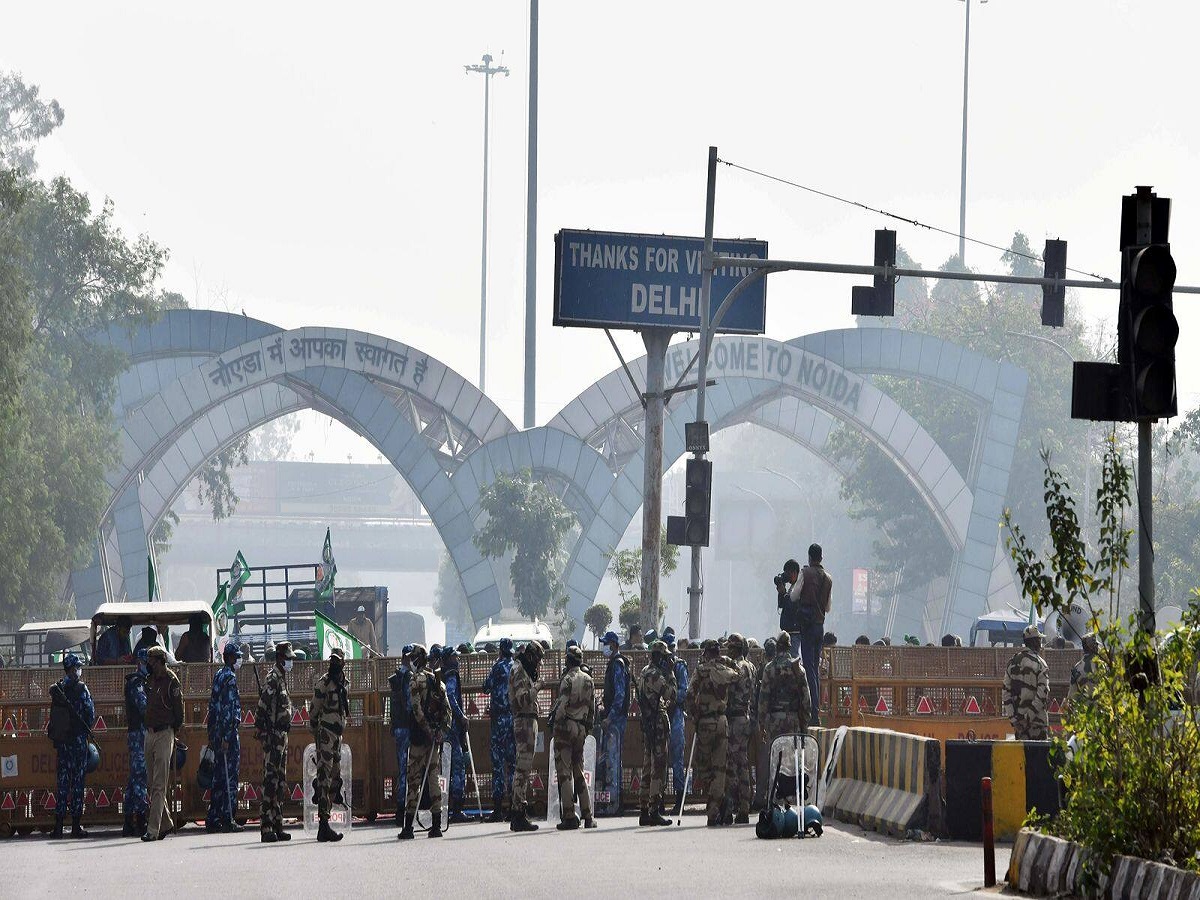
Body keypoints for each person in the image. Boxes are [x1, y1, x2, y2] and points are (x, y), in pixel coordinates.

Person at [400, 644, 452, 840]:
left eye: (413, 657)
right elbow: (448, 713)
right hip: (433, 741)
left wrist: (428, 731)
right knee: (433, 780)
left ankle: (408, 828)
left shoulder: (416, 681)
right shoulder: (438, 681)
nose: (411, 661)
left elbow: (416, 710)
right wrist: (440, 733)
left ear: (418, 658)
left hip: (419, 739)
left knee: (413, 782)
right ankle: (436, 826)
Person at [778, 545, 832, 724]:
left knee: (808, 669)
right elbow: (828, 607)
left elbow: (793, 597)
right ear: (821, 558)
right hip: (820, 626)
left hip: (807, 627)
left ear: (809, 557)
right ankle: (815, 711)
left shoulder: (805, 573)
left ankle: (812, 714)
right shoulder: (828, 579)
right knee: (815, 669)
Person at [689, 638, 740, 826]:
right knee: (719, 768)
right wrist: (726, 661)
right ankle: (720, 805)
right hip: (722, 721)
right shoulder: (726, 670)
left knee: (704, 766)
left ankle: (713, 809)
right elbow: (739, 674)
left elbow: (689, 695)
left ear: (706, 653)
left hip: (705, 723)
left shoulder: (701, 671)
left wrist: (695, 716)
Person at [550, 645, 598, 830]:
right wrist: (587, 729)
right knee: (579, 771)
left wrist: (556, 726)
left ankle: (569, 815)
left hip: (566, 727)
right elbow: (592, 709)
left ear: (568, 660)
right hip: (581, 728)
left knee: (564, 772)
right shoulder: (588, 680)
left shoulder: (567, 680)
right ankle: (588, 816)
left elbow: (561, 707)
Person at [48, 652, 95, 839]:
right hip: (77, 742)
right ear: (73, 669)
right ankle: (75, 826)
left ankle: (58, 827)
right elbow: (90, 715)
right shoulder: (81, 688)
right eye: (78, 667)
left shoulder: (58, 689)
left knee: (62, 784)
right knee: (77, 784)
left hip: (62, 742)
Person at [254, 640, 295, 843]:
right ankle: (266, 826)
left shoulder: (282, 678)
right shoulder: (273, 678)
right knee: (270, 782)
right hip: (273, 736)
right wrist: (263, 730)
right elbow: (262, 706)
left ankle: (278, 824)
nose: (290, 662)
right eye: (288, 659)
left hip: (282, 736)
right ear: (280, 658)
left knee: (280, 782)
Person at [142, 645, 183, 841]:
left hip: (165, 733)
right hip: (149, 733)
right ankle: (166, 823)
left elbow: (179, 713)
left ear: (160, 661)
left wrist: (172, 733)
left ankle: (153, 830)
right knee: (151, 784)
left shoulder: (171, 681)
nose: (149, 665)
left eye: (151, 662)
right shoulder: (149, 680)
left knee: (159, 784)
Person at [310, 647, 349, 842]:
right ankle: (323, 825)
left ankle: (326, 810)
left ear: (343, 663)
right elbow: (313, 712)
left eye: (337, 661)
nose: (334, 664)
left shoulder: (344, 683)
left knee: (335, 779)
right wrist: (319, 733)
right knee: (324, 778)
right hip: (325, 734)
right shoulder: (324, 683)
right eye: (332, 660)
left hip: (338, 737)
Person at [636, 640, 676, 827]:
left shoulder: (644, 671)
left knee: (646, 766)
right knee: (657, 767)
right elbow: (671, 694)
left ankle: (644, 809)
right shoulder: (656, 675)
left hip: (647, 722)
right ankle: (653, 809)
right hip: (657, 723)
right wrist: (671, 673)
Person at [508, 640, 544, 832]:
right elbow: (522, 699)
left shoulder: (522, 669)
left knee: (524, 768)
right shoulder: (520, 670)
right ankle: (517, 814)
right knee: (522, 769)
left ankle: (519, 811)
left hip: (527, 721)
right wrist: (537, 687)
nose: (537, 665)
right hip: (524, 721)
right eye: (537, 660)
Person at [206, 643, 243, 833]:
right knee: (229, 777)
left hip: (217, 732)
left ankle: (213, 818)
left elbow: (213, 707)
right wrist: (227, 736)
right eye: (237, 657)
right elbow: (228, 708)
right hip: (227, 734)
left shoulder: (218, 675)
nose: (239, 660)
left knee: (219, 777)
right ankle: (228, 817)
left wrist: (214, 733)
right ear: (229, 658)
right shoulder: (229, 677)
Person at [723, 633, 757, 824]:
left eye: (730, 648)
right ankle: (744, 806)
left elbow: (728, 687)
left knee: (731, 765)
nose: (728, 650)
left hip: (735, 718)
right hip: (745, 716)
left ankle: (729, 808)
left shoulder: (737, 667)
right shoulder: (751, 666)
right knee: (743, 762)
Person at [758, 631, 812, 747]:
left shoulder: (769, 668)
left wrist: (762, 724)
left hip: (774, 721)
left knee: (775, 759)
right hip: (793, 721)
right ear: (789, 646)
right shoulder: (798, 669)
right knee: (791, 759)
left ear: (777, 647)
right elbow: (806, 699)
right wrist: (805, 722)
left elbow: (764, 698)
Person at [482, 636, 515, 822]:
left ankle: (497, 809)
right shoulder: (516, 666)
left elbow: (486, 687)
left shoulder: (497, 667)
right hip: (512, 718)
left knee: (497, 764)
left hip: (499, 720)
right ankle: (513, 806)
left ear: (500, 650)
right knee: (512, 764)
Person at [597, 630, 629, 817]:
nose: (604, 647)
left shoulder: (617, 664)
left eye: (607, 643)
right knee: (611, 760)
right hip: (613, 717)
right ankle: (614, 802)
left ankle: (614, 804)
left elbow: (620, 694)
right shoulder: (615, 663)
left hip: (616, 719)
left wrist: (610, 716)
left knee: (614, 761)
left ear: (615, 645)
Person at [439, 645, 471, 823]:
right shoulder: (450, 675)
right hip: (452, 728)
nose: (457, 660)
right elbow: (451, 697)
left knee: (446, 767)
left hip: (446, 727)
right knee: (458, 767)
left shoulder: (442, 674)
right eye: (454, 657)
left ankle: (447, 805)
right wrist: (461, 716)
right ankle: (457, 808)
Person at [1003, 625, 1050, 740]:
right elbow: (1043, 694)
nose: (1041, 643)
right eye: (1039, 640)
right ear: (1035, 642)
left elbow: (1005, 693)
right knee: (1039, 757)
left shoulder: (1012, 662)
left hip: (1019, 726)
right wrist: (1028, 718)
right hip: (1037, 724)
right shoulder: (1040, 664)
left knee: (1022, 757)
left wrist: (1014, 720)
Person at [661, 626, 689, 810]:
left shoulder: (679, 666)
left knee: (677, 758)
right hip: (662, 714)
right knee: (660, 758)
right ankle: (659, 799)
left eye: (673, 647)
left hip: (676, 713)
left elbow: (684, 690)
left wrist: (672, 699)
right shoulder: (659, 666)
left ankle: (679, 800)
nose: (671, 651)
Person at [123, 649, 149, 837]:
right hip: (139, 735)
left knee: (134, 781)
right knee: (140, 777)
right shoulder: (137, 683)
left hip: (140, 734)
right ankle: (141, 819)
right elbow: (144, 707)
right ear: (140, 663)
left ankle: (128, 821)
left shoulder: (142, 682)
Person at [388, 646, 414, 828]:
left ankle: (401, 810)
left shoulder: (397, 676)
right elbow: (410, 704)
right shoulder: (408, 677)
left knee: (403, 769)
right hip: (407, 727)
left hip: (398, 727)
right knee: (408, 770)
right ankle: (403, 811)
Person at [1066, 633, 1100, 709]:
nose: (1098, 648)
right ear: (1093, 647)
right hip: (1101, 713)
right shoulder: (1102, 666)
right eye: (1096, 645)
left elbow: (1072, 696)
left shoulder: (1076, 668)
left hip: (1083, 715)